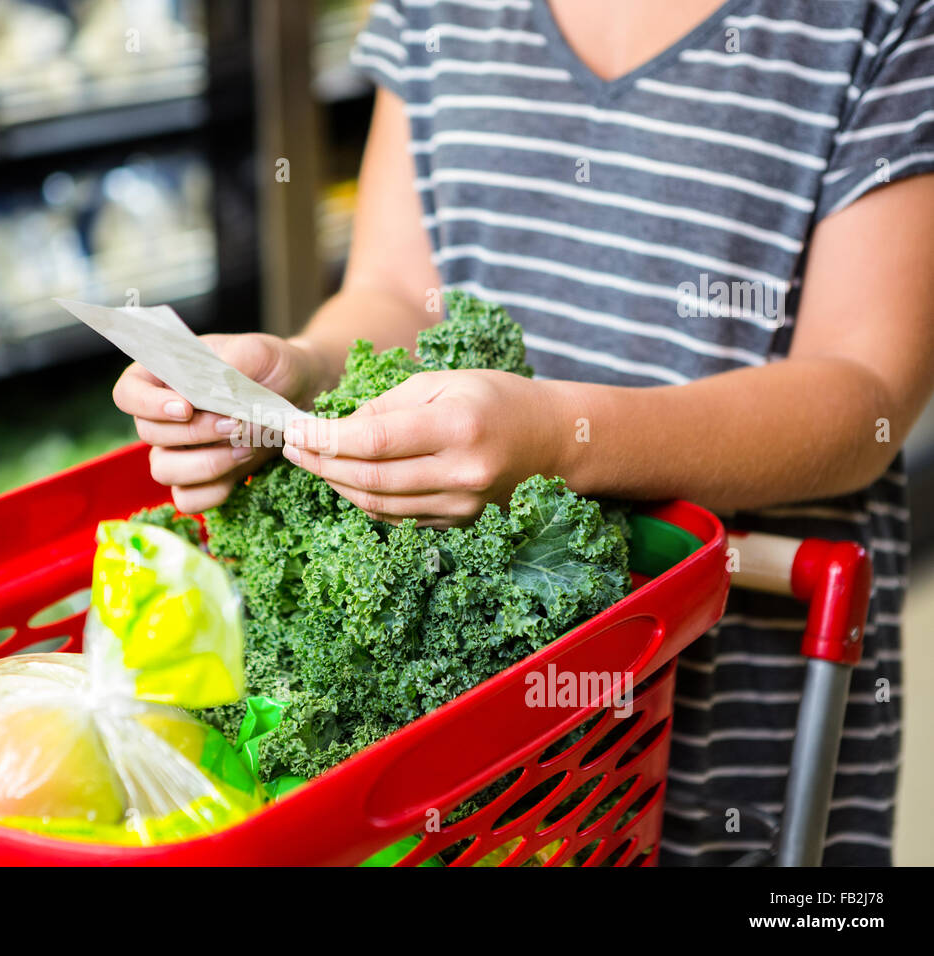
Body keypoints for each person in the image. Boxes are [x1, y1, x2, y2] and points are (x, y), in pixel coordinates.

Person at [113, 0, 934, 864]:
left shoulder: (875, 19)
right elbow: (397, 290)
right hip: (473, 754)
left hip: (737, 706)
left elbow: (868, 395)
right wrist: (304, 368)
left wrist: (561, 443)